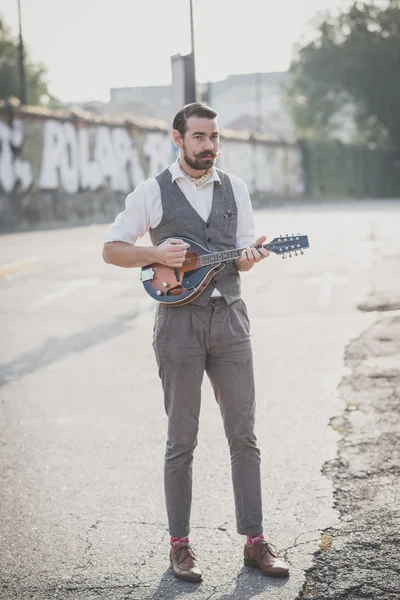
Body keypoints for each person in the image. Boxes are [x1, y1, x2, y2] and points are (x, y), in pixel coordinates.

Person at [102, 102, 290, 583]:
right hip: (178, 325)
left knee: (243, 435)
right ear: (177, 138)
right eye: (200, 137)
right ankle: (180, 547)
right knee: (180, 441)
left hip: (230, 320)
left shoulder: (236, 189)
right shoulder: (154, 191)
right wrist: (153, 252)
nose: (209, 146)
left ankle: (255, 542)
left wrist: (251, 257)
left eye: (214, 137)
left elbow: (242, 256)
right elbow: (112, 248)